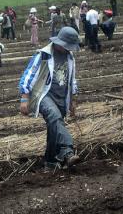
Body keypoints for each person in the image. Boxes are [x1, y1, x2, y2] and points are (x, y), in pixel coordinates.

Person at [18, 27, 81, 170]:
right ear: (59, 42)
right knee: (54, 117)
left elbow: (72, 79)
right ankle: (67, 151)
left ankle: (50, 162)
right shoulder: (44, 54)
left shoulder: (70, 57)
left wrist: (72, 99)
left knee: (54, 126)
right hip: (44, 95)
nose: (67, 49)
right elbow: (29, 75)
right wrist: (24, 98)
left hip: (61, 96)